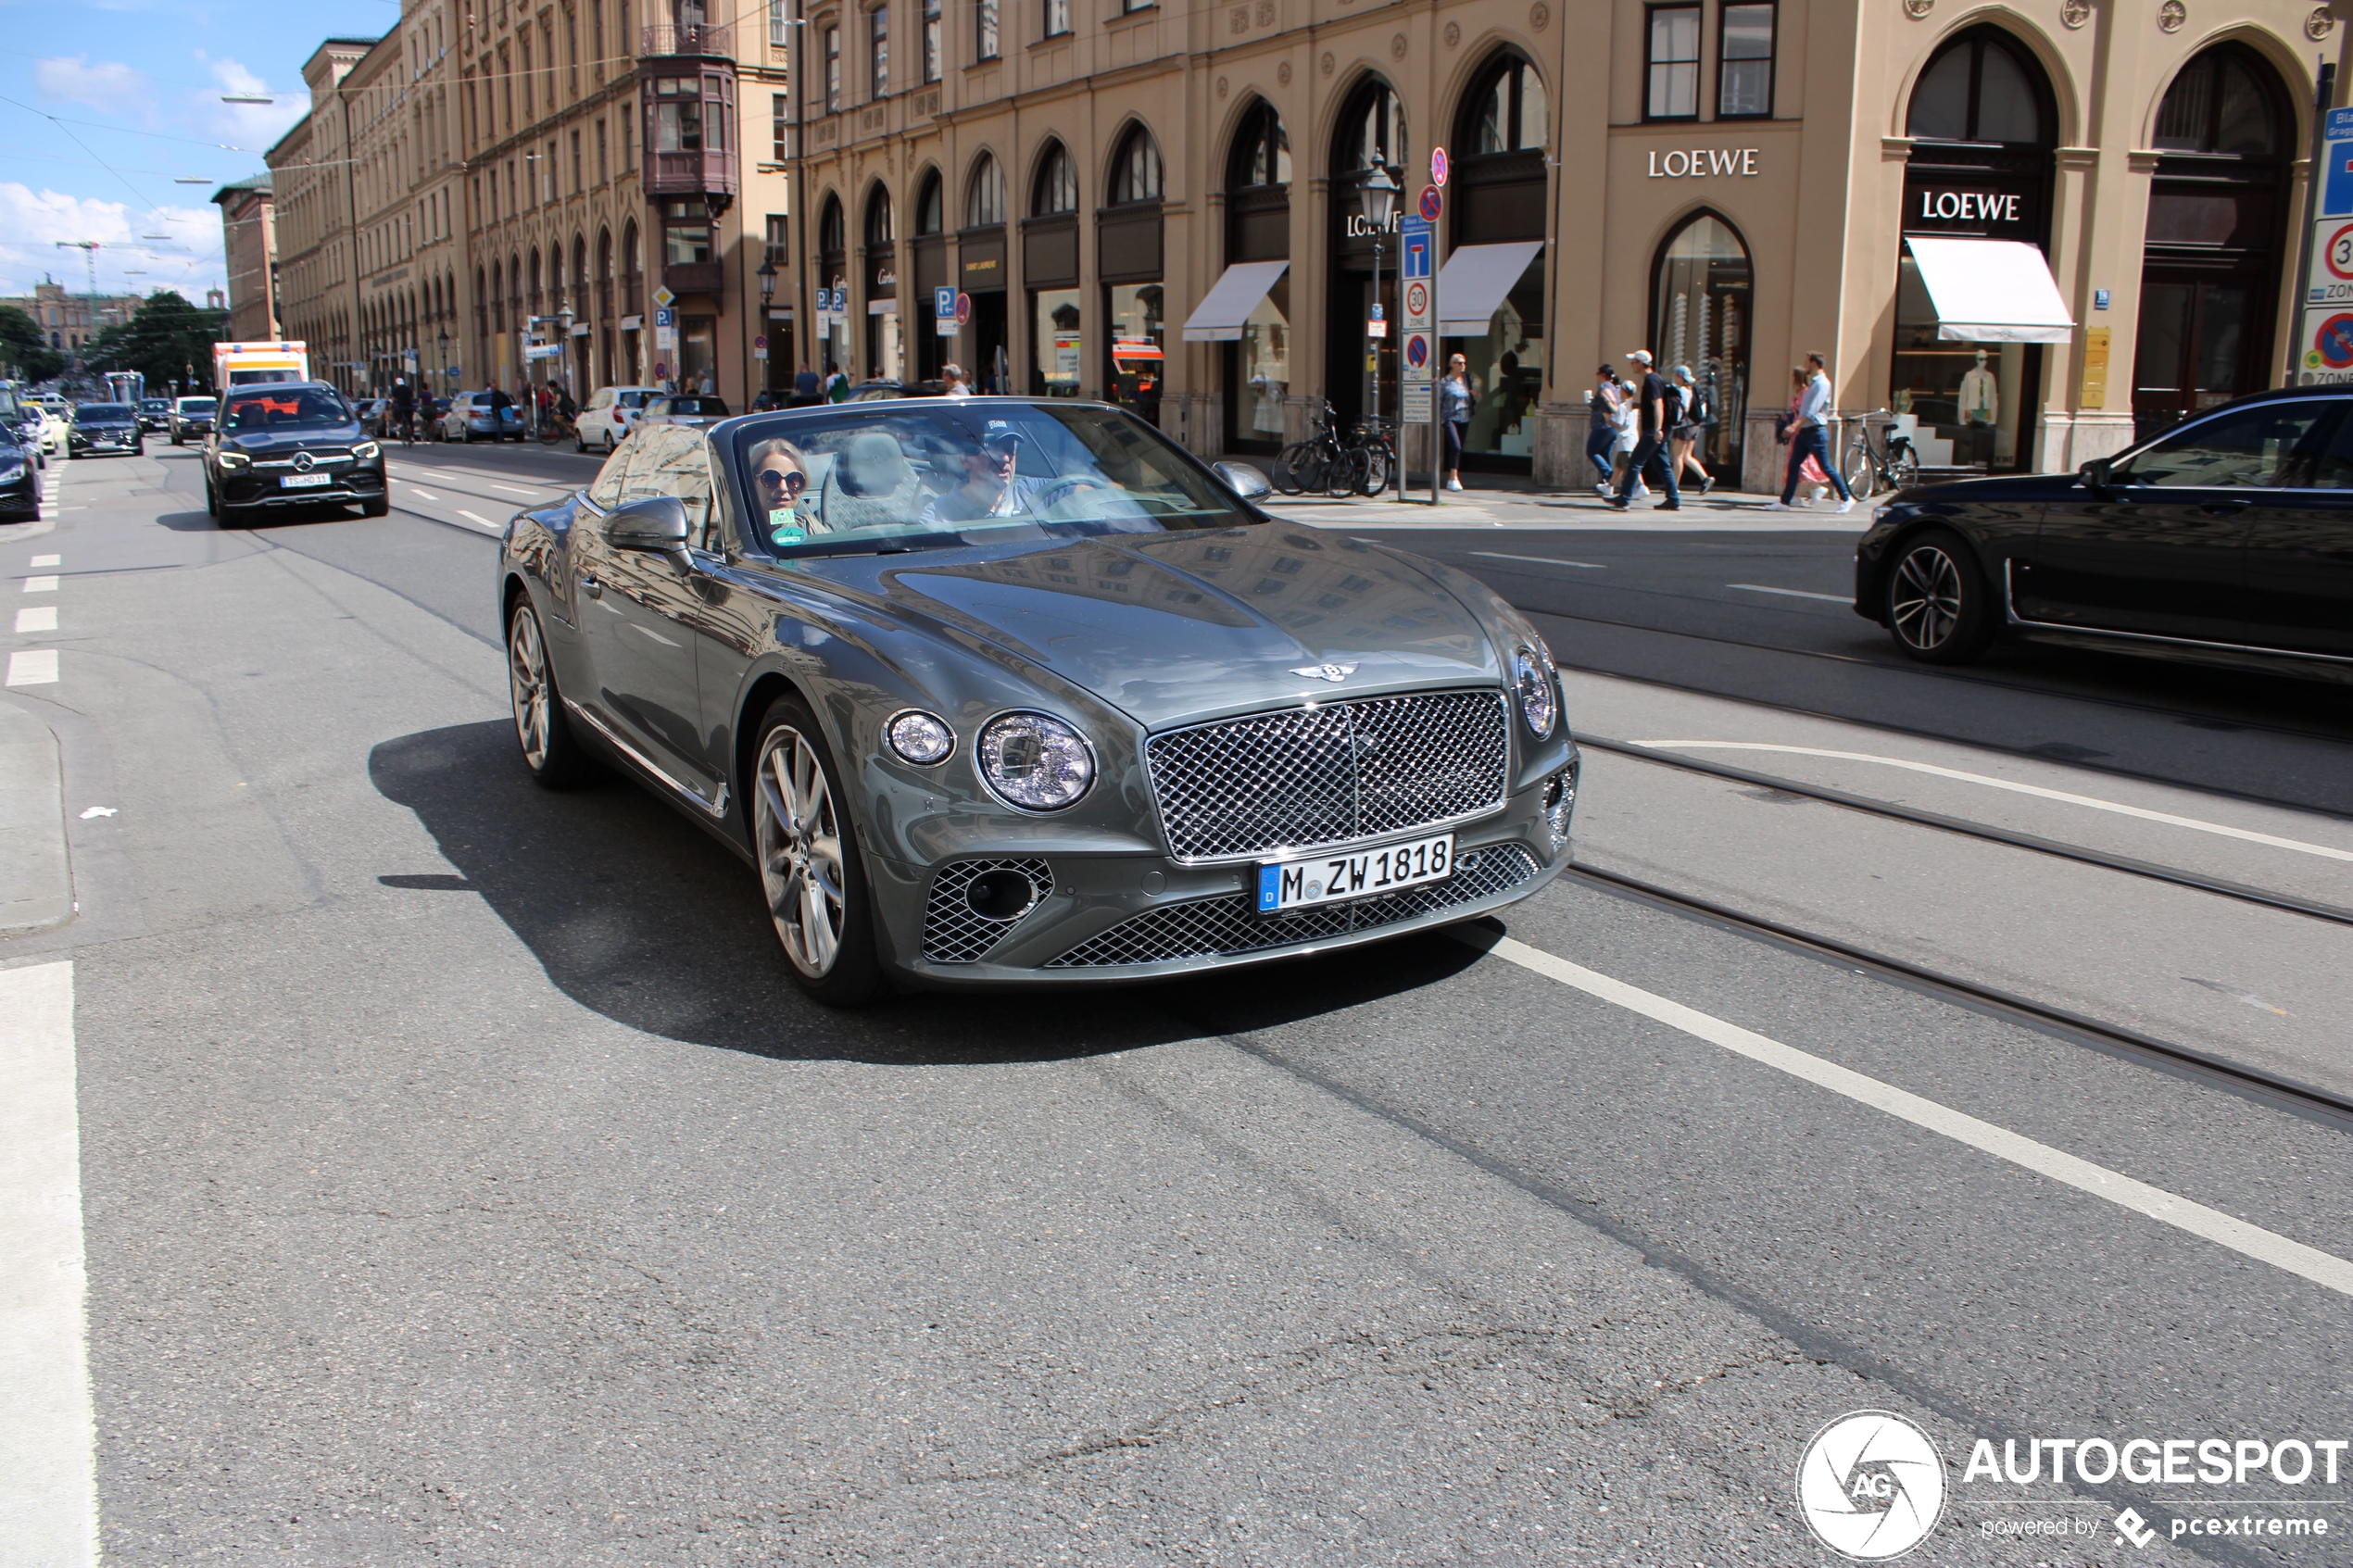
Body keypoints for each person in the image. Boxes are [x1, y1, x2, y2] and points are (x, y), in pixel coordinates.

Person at [919, 418, 1107, 526]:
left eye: (1009, 449)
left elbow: (1094, 494)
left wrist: (1115, 497)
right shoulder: (938, 515)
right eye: (994, 450)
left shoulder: (1034, 492)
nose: (1006, 458)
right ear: (965, 459)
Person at [1769, 351, 1854, 513]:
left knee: (1826, 467)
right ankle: (1785, 502)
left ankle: (1846, 498)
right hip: (1805, 432)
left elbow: (1812, 411)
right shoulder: (1815, 383)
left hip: (1815, 432)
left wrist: (1794, 426)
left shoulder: (1822, 384)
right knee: (1793, 465)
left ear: (1814, 363)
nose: (1806, 366)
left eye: (1807, 363)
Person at [1608, 350, 1678, 510]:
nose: (1632, 365)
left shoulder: (1652, 380)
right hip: (1658, 429)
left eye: (1633, 362)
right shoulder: (1655, 379)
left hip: (1653, 430)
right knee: (1663, 465)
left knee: (1634, 462)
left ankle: (1624, 499)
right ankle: (1674, 499)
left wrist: (1657, 429)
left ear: (1640, 363)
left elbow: (1659, 404)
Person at [749, 435, 815, 546]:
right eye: (771, 478)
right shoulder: (738, 533)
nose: (783, 487)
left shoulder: (809, 526)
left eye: (793, 479)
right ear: (752, 482)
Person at [1667, 365, 1712, 495]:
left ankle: (1674, 487)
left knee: (1678, 457)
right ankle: (1705, 478)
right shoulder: (1694, 390)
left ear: (1679, 376)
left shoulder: (1683, 391)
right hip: (1694, 426)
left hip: (1684, 426)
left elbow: (1684, 409)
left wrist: (1675, 421)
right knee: (1687, 456)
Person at [1439, 354, 1474, 491]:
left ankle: (1453, 477)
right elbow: (1438, 400)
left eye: (1464, 363)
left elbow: (1471, 396)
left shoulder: (1467, 379)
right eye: (1459, 363)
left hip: (1465, 417)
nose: (1463, 365)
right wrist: (1439, 418)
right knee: (1456, 446)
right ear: (1452, 364)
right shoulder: (1445, 382)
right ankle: (1453, 478)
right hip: (1449, 417)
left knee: (1458, 449)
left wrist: (1475, 394)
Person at [1584, 365, 1620, 491]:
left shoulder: (1605, 387)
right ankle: (1607, 483)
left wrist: (1606, 402)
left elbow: (1610, 401)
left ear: (1603, 375)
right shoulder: (1615, 388)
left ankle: (1609, 475)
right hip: (1612, 426)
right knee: (1605, 453)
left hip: (1602, 425)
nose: (1597, 375)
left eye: (1598, 373)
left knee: (1592, 451)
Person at [388, 376, 417, 443]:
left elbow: (393, 398)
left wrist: (390, 405)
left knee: (394, 413)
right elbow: (411, 397)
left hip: (401, 407)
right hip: (409, 407)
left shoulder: (396, 389)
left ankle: (399, 424)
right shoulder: (408, 389)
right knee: (410, 420)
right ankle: (412, 435)